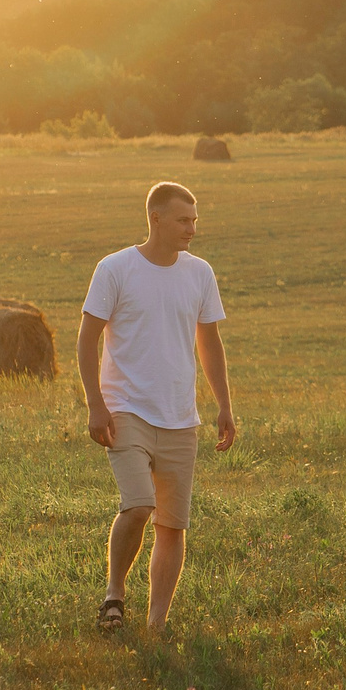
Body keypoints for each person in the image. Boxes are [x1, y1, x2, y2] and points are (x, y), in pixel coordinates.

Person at [78, 181, 237, 636]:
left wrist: (224, 405)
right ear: (156, 219)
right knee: (139, 506)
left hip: (181, 416)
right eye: (183, 220)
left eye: (195, 221)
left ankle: (156, 625)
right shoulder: (115, 269)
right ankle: (114, 594)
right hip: (125, 408)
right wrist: (96, 404)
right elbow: (87, 338)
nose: (192, 229)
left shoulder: (199, 273)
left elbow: (210, 342)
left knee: (172, 525)